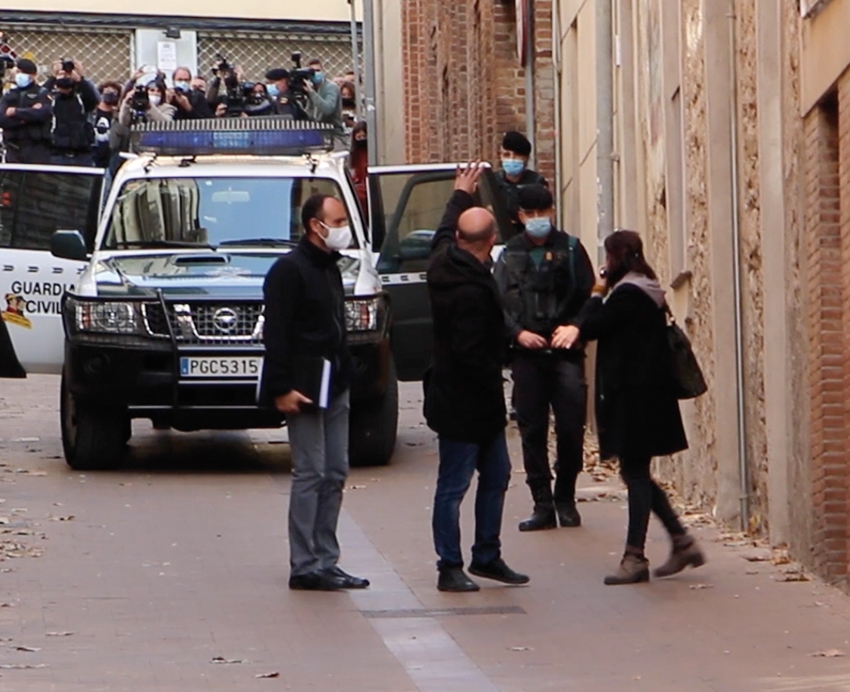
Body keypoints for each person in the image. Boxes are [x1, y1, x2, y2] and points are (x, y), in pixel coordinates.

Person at [557, 230, 705, 585]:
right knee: (635, 472)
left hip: (636, 400)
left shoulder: (628, 295)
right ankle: (681, 540)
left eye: (608, 258)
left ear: (617, 257)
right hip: (648, 398)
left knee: (635, 473)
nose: (605, 265)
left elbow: (593, 325)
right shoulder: (647, 288)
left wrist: (596, 291)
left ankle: (635, 556)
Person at [425, 161, 529, 593]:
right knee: (455, 484)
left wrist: (461, 193)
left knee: (497, 474)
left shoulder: (443, 261)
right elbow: (472, 354)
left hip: (464, 397)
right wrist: (502, 360)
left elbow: (444, 230)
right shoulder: (468, 290)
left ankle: (486, 554)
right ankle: (450, 564)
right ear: (490, 242)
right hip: (466, 400)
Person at [260, 193, 368, 592]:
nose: (342, 229)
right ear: (314, 226)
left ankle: (327, 559)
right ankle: (305, 564)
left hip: (334, 381)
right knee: (311, 472)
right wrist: (281, 388)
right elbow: (277, 334)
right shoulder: (289, 271)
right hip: (302, 386)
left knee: (336, 471)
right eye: (337, 222)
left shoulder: (329, 269)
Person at [494, 184, 594, 532]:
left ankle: (566, 497)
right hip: (527, 354)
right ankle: (542, 503)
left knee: (570, 427)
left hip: (565, 352)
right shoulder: (508, 255)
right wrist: (518, 334)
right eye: (530, 214)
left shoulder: (571, 248)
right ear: (519, 217)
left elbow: (589, 296)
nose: (538, 220)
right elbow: (497, 304)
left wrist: (576, 328)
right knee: (531, 428)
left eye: (543, 212)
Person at [44, 59, 99, 166]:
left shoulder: (81, 97)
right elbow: (39, 97)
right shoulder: (52, 98)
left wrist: (80, 78)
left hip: (82, 152)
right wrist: (54, 77)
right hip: (57, 152)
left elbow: (94, 100)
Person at [0, 58, 53, 164]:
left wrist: (15, 112)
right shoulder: (10, 95)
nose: (19, 75)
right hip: (13, 148)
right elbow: (2, 119)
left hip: (37, 148)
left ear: (32, 75)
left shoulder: (42, 93)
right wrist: (26, 117)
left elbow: (43, 114)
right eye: (17, 72)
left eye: (22, 72)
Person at [495, 131, 547, 233]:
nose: (511, 159)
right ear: (500, 156)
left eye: (517, 155)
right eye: (507, 154)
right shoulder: (493, 182)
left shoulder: (536, 182)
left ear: (526, 158)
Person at [303, 59, 343, 138]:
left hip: (333, 133)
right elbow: (309, 112)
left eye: (318, 70)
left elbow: (328, 109)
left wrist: (311, 92)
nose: (316, 73)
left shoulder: (331, 87)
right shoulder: (311, 87)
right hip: (315, 132)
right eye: (312, 71)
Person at [93, 81, 121, 169]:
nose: (111, 94)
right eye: (107, 91)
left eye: (114, 92)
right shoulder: (92, 112)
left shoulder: (118, 115)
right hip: (93, 153)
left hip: (110, 155)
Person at [348, 121, 368, 220]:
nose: (362, 140)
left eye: (364, 137)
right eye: (359, 137)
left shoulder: (369, 153)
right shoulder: (354, 155)